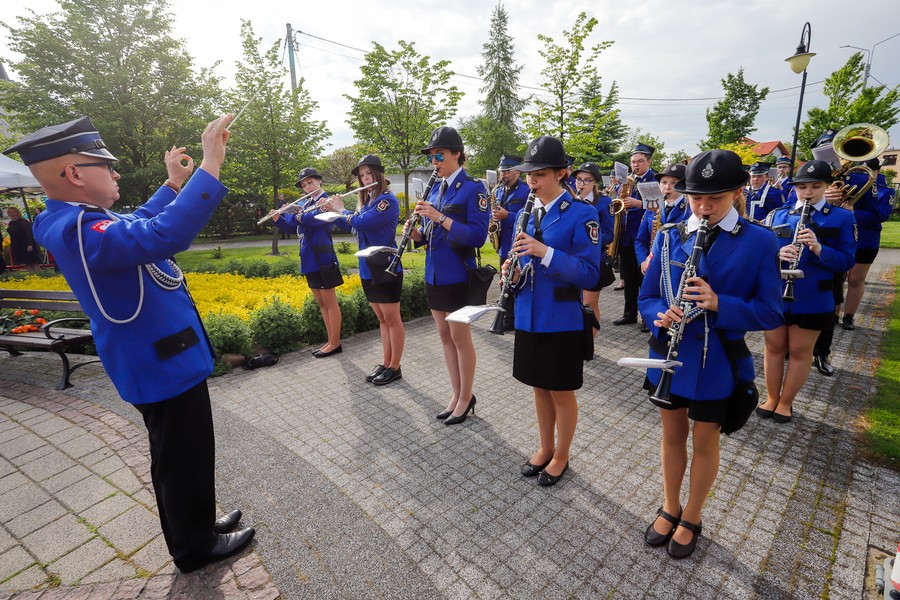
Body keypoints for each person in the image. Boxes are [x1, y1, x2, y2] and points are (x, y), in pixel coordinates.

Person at [5, 115, 254, 573]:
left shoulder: (78, 220)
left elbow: (137, 220)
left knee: (185, 452)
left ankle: (195, 524)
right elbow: (161, 234)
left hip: (163, 358)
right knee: (180, 456)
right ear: (76, 175)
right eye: (107, 166)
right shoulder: (76, 228)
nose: (116, 173)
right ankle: (194, 547)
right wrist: (210, 164)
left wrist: (173, 184)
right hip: (159, 362)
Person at [639, 149, 782, 558]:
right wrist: (658, 315)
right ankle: (670, 505)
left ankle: (693, 515)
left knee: (705, 439)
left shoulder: (759, 241)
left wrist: (721, 303)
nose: (702, 207)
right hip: (670, 355)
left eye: (714, 199)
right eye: (695, 198)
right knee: (671, 436)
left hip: (717, 361)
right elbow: (648, 297)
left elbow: (771, 312)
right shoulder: (669, 235)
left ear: (737, 192)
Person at [502, 136, 600, 486]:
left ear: (562, 174)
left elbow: (591, 273)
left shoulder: (582, 214)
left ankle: (562, 454)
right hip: (529, 313)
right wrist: (510, 272)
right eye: (529, 173)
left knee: (560, 390)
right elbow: (518, 262)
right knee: (538, 387)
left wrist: (544, 252)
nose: (532, 180)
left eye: (540, 174)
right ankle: (545, 447)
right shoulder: (523, 214)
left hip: (561, 317)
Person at [759, 160, 856, 422]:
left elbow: (847, 260)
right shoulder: (778, 215)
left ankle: (786, 403)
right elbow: (760, 253)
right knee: (774, 347)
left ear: (826, 187)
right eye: (802, 187)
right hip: (777, 294)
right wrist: (777, 254)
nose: (808, 192)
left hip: (814, 296)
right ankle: (770, 397)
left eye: (815, 186)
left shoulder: (843, 217)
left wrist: (819, 249)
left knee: (801, 352)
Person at [406, 126, 489, 425]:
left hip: (457, 273)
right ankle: (456, 394)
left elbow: (478, 237)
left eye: (439, 156)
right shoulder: (437, 188)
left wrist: (439, 217)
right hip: (435, 273)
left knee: (459, 337)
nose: (435, 163)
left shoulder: (473, 188)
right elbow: (433, 235)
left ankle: (466, 396)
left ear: (457, 154)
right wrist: (416, 233)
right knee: (444, 336)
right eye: (432, 158)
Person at [332, 154, 405, 385]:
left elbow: (361, 222)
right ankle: (386, 362)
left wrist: (343, 210)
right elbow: (353, 226)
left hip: (385, 265)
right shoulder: (368, 201)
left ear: (378, 174)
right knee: (382, 319)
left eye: (368, 174)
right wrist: (335, 212)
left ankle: (396, 366)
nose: (364, 179)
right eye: (361, 175)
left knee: (392, 319)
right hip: (366, 266)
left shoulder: (387, 200)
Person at [273, 167, 343, 358]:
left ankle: (335, 343)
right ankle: (330, 341)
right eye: (304, 185)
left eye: (310, 182)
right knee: (321, 303)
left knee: (330, 302)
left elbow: (314, 220)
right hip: (309, 259)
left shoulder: (326, 201)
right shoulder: (305, 205)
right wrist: (279, 218)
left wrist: (298, 215)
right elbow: (294, 224)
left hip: (323, 258)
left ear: (319, 181)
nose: (307, 187)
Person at [840, 157, 894, 331]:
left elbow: (881, 216)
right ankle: (832, 314)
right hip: (843, 236)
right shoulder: (847, 182)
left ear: (876, 171)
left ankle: (849, 316)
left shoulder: (886, 191)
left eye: (866, 168)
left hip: (866, 239)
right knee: (838, 277)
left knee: (855, 279)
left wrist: (853, 212)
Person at [614, 143, 656, 326]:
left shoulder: (655, 179)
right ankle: (629, 313)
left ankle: (647, 318)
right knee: (629, 277)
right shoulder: (629, 180)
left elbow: (659, 206)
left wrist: (639, 204)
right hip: (626, 234)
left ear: (649, 162)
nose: (636, 165)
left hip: (645, 236)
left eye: (640, 161)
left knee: (644, 278)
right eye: (633, 162)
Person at [572, 161, 613, 335]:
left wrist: (586, 239)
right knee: (574, 302)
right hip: (572, 259)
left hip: (593, 259)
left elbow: (609, 235)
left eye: (587, 180)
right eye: (579, 180)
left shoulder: (604, 202)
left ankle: (589, 344)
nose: (581, 184)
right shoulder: (570, 202)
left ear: (595, 182)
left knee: (589, 303)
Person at [492, 154, 530, 332]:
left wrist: (507, 216)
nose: (502, 175)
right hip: (503, 245)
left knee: (517, 281)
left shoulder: (525, 190)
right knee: (504, 281)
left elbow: (527, 217)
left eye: (506, 171)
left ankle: (514, 317)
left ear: (516, 171)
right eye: (501, 172)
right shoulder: (499, 191)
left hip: (519, 245)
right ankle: (506, 315)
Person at [636, 162, 691, 275]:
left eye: (674, 183)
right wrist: (642, 261)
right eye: (663, 182)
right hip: (652, 267)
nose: (667, 187)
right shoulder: (652, 208)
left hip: (678, 270)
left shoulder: (690, 210)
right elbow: (640, 240)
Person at [5, 206, 42, 272]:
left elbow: (30, 233)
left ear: (17, 213)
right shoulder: (11, 223)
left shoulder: (23, 222)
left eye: (14, 212)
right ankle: (34, 277)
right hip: (18, 245)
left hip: (27, 245)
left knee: (33, 263)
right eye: (10, 212)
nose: (12, 214)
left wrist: (30, 244)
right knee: (27, 264)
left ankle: (40, 277)